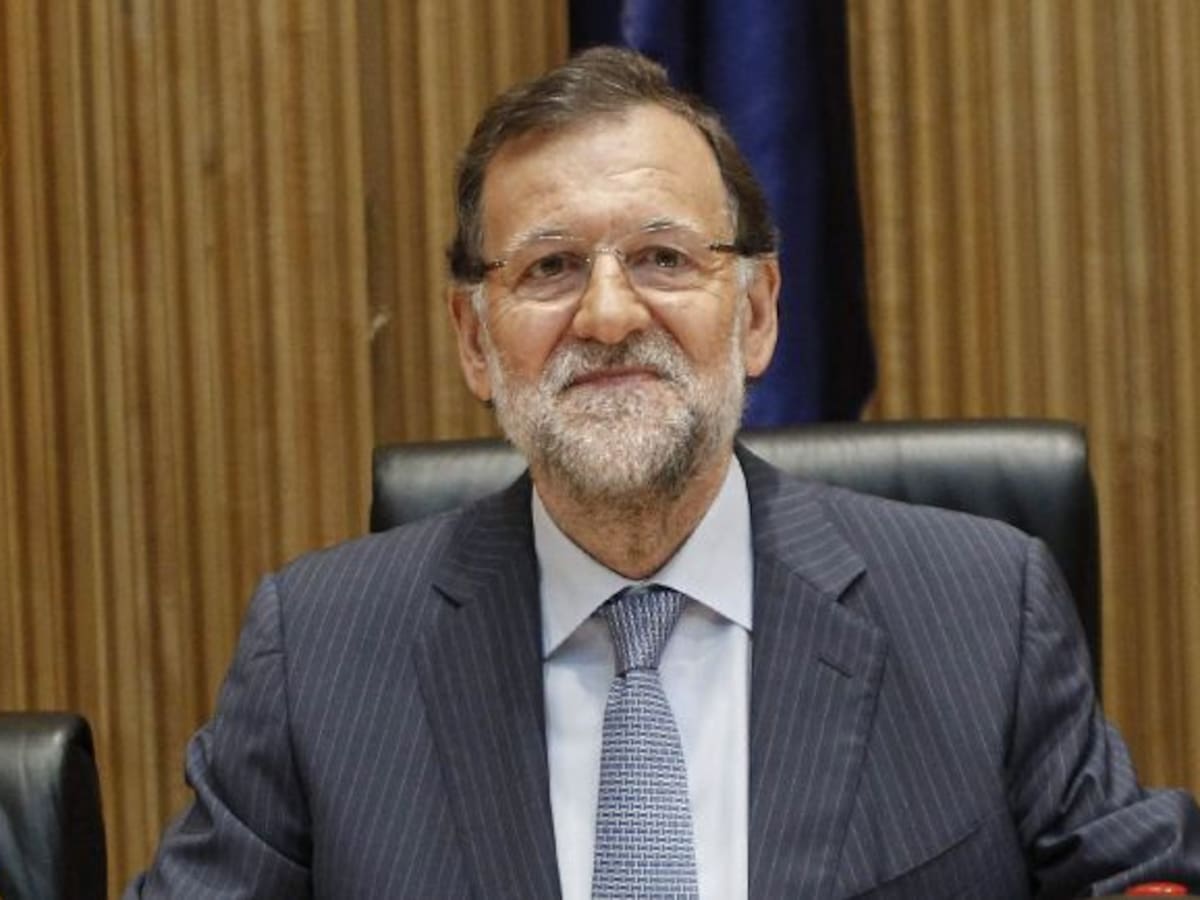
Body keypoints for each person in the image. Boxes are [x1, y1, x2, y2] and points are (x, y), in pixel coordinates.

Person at [128, 47, 1200, 899]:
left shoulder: (982, 608)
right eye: (550, 267)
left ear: (758, 313)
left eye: (663, 258)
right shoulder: (317, 656)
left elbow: (1136, 873)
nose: (608, 315)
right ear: (473, 341)